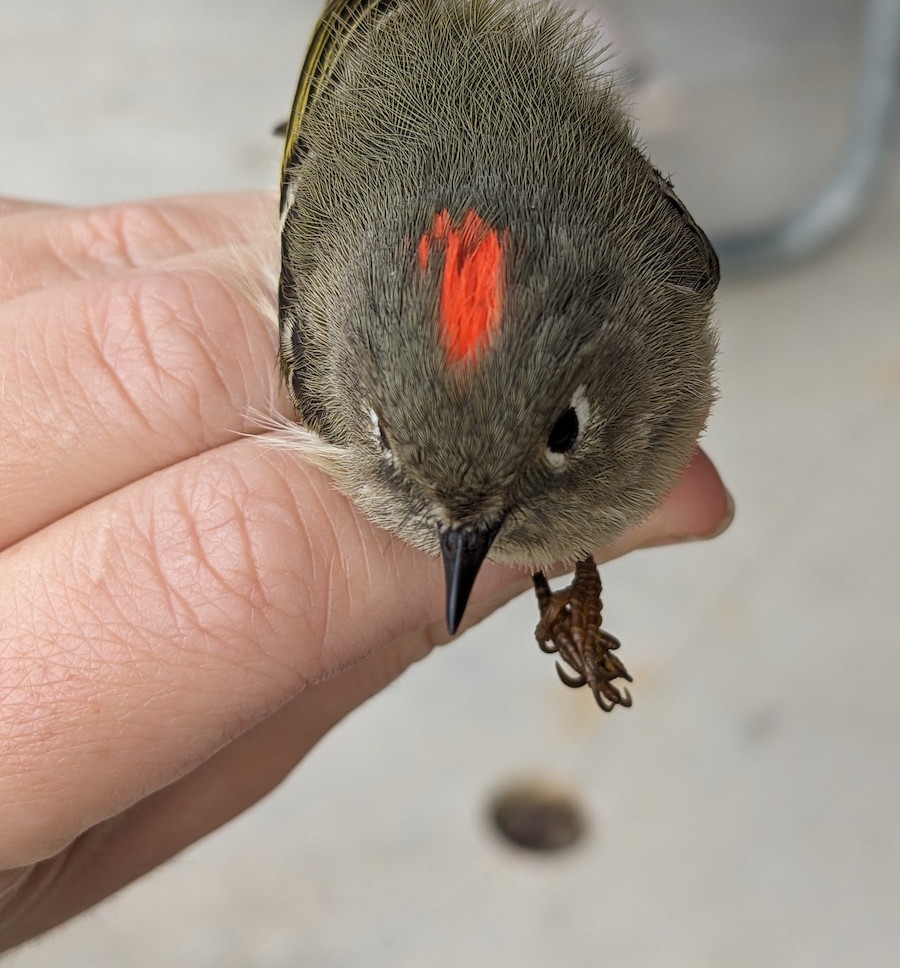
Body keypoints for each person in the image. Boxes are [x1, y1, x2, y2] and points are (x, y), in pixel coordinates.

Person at [0, 192, 732, 949]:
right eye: (390, 442)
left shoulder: (657, 284)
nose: (462, 539)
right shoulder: (335, 339)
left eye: (559, 432)